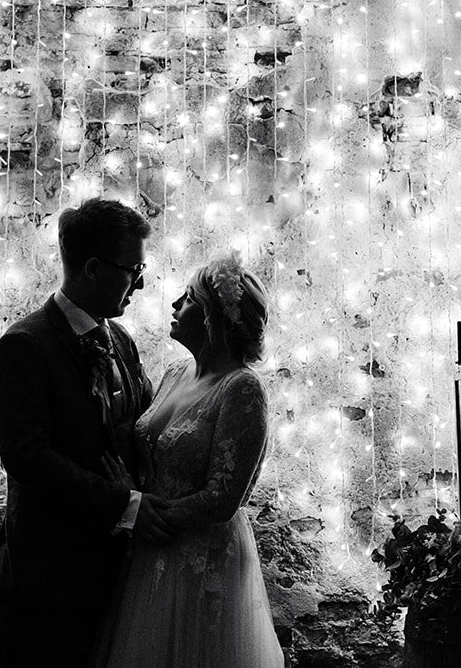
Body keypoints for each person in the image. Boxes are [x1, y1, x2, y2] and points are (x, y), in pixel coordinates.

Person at [0, 198, 175, 668]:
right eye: (133, 269)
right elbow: (29, 459)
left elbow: (137, 427)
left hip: (113, 579)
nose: (142, 282)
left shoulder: (121, 341)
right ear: (92, 268)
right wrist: (124, 503)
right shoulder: (25, 345)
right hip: (47, 587)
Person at [92, 254, 284, 668]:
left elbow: (222, 498)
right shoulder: (175, 372)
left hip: (202, 557)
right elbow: (145, 447)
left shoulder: (242, 390)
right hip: (148, 552)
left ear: (215, 317)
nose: (175, 305)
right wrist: (129, 491)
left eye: (188, 299)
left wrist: (148, 514)